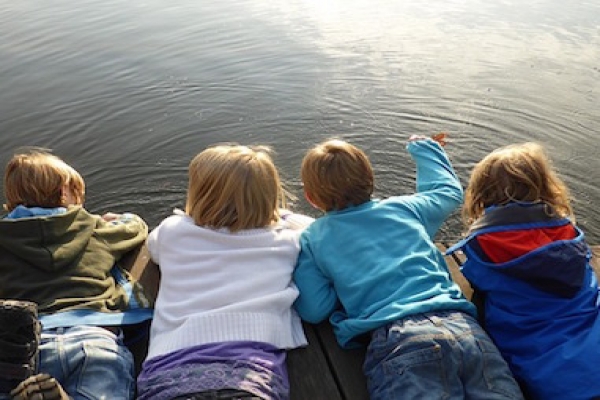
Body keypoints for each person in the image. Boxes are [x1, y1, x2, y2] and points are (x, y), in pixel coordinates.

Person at [293, 136, 524, 400]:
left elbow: (313, 309)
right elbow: (447, 192)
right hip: (466, 332)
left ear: (311, 198)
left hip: (400, 340)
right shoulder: (406, 208)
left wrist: (345, 281)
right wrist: (424, 147)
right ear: (371, 180)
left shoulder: (314, 238)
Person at [137, 144, 312, 400]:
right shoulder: (286, 240)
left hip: (171, 366)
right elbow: (317, 228)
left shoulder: (173, 231)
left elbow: (153, 250)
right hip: (251, 369)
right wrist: (281, 215)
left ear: (199, 195)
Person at [446, 142, 600, 400]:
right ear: (545, 185)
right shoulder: (569, 232)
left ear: (481, 193)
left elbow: (478, 279)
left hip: (553, 376)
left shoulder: (482, 244)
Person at [0, 150, 152, 400]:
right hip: (95, 338)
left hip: (32, 344)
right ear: (64, 193)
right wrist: (119, 218)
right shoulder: (92, 228)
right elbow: (135, 228)